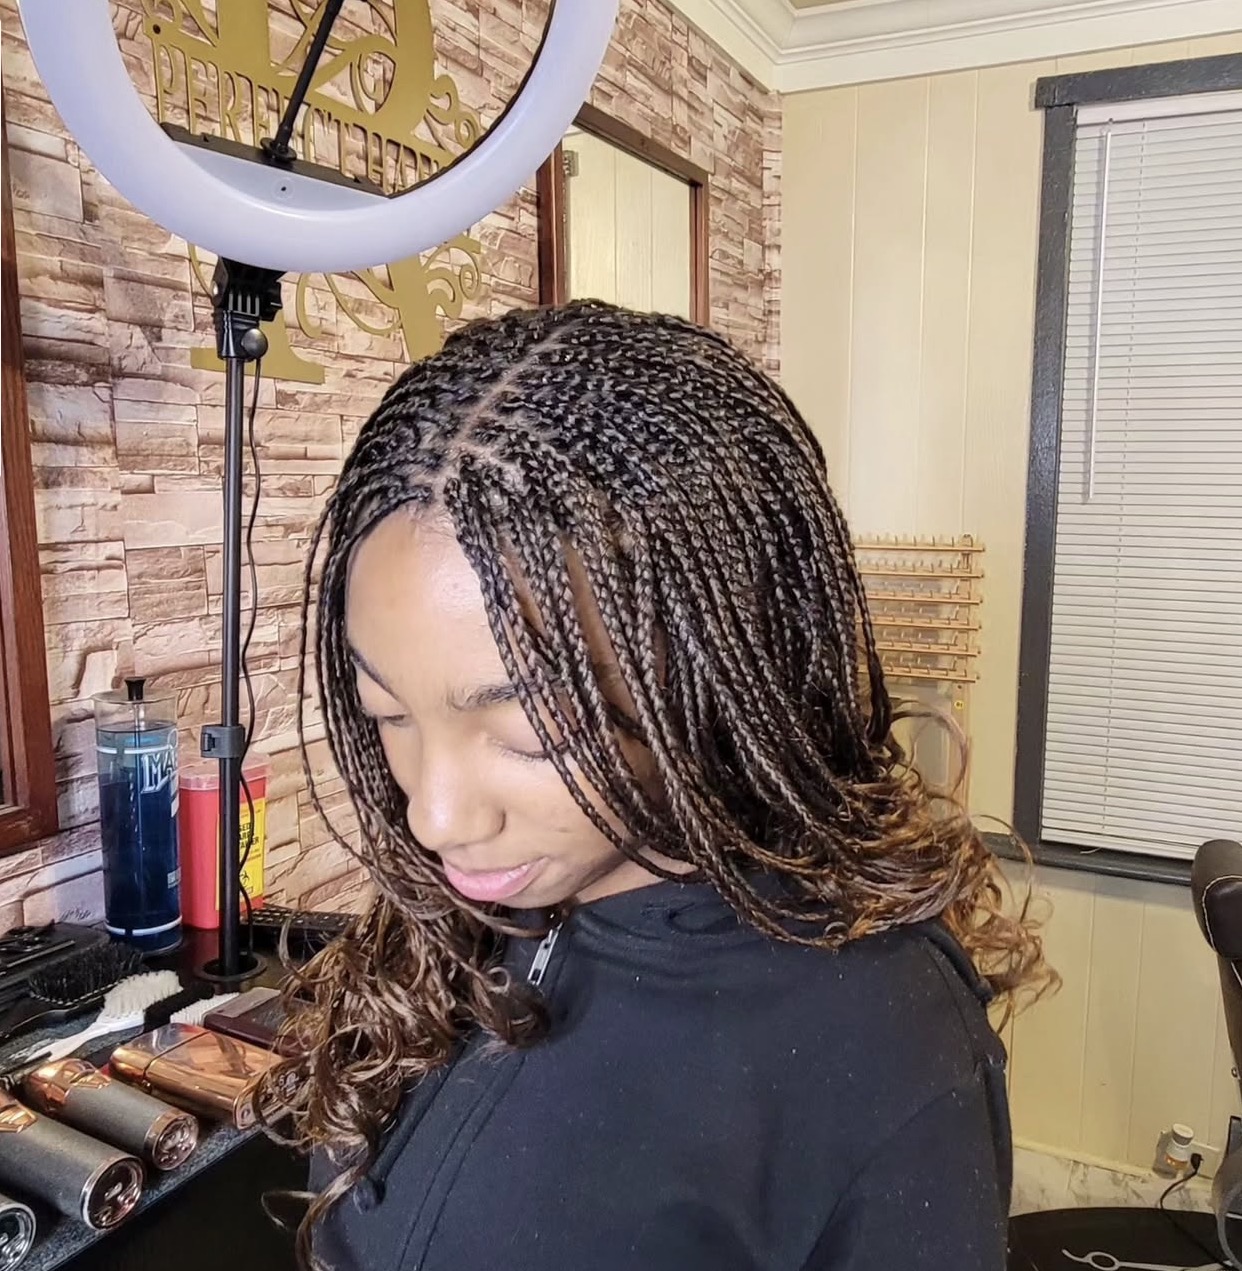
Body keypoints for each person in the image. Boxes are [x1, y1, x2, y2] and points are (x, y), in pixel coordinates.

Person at [263, 301, 1050, 1271]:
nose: (435, 814)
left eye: (524, 730)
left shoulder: (886, 1045)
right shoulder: (455, 915)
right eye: (388, 713)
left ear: (711, 663)